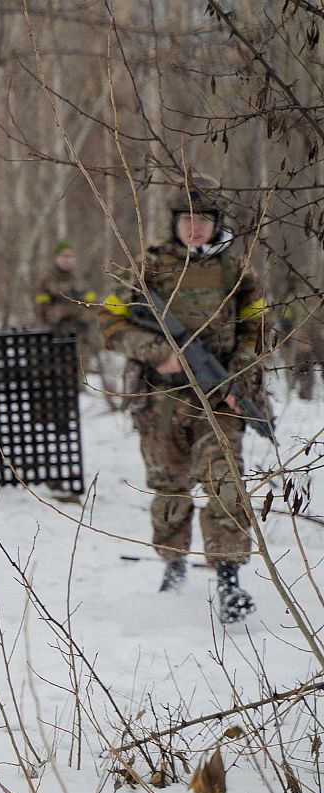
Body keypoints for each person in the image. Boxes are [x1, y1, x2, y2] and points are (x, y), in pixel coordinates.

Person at [98, 175, 266, 623]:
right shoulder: (148, 269)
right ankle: (173, 571)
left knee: (226, 486)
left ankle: (229, 581)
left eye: (203, 220)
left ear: (216, 224)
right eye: (187, 219)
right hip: (161, 400)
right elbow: (110, 322)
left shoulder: (237, 271)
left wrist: (239, 374)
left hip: (217, 399)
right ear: (175, 223)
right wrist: (157, 352)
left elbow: (256, 328)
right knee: (168, 487)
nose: (195, 227)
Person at [34, 238, 100, 370]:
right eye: (64, 256)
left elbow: (93, 306)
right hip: (56, 337)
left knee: (80, 374)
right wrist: (65, 311)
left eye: (70, 256)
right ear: (56, 258)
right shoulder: (47, 281)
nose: (67, 259)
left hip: (81, 336)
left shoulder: (81, 280)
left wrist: (83, 314)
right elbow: (42, 311)